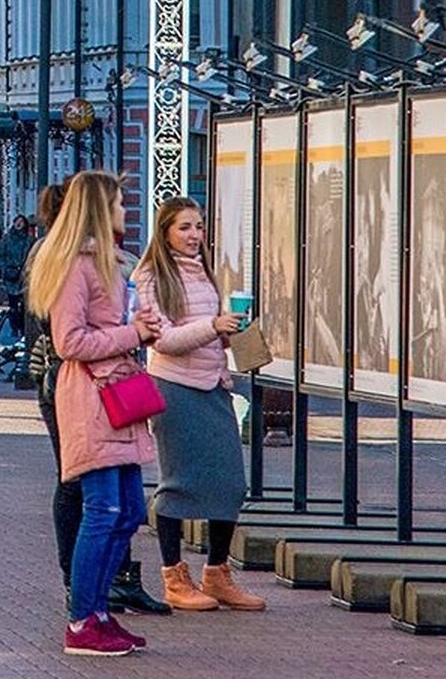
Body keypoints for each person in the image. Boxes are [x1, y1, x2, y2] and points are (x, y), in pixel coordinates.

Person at [27, 170, 161, 657]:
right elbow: (70, 341)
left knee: (126, 510)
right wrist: (132, 336)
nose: (125, 212)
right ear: (98, 210)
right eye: (119, 204)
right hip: (91, 395)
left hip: (116, 393)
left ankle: (100, 611)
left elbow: (109, 326)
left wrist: (138, 325)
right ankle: (83, 620)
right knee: (102, 510)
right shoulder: (75, 266)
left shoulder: (106, 264)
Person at [133, 196, 266, 612]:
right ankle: (174, 575)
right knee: (178, 482)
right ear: (166, 232)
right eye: (185, 228)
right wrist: (213, 326)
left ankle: (218, 572)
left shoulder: (204, 271)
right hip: (174, 387)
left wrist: (231, 332)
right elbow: (165, 340)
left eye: (199, 227)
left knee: (230, 483)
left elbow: (206, 330)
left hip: (214, 385)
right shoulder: (152, 276)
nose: (194, 235)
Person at [0, 214, 33, 339]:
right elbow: (0, 255)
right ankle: (14, 328)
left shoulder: (29, 240)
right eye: (17, 221)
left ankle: (23, 328)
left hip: (24, 276)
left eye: (21, 222)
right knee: (13, 305)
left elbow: (34, 256)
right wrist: (5, 269)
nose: (18, 224)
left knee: (23, 305)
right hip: (11, 275)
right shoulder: (7, 238)